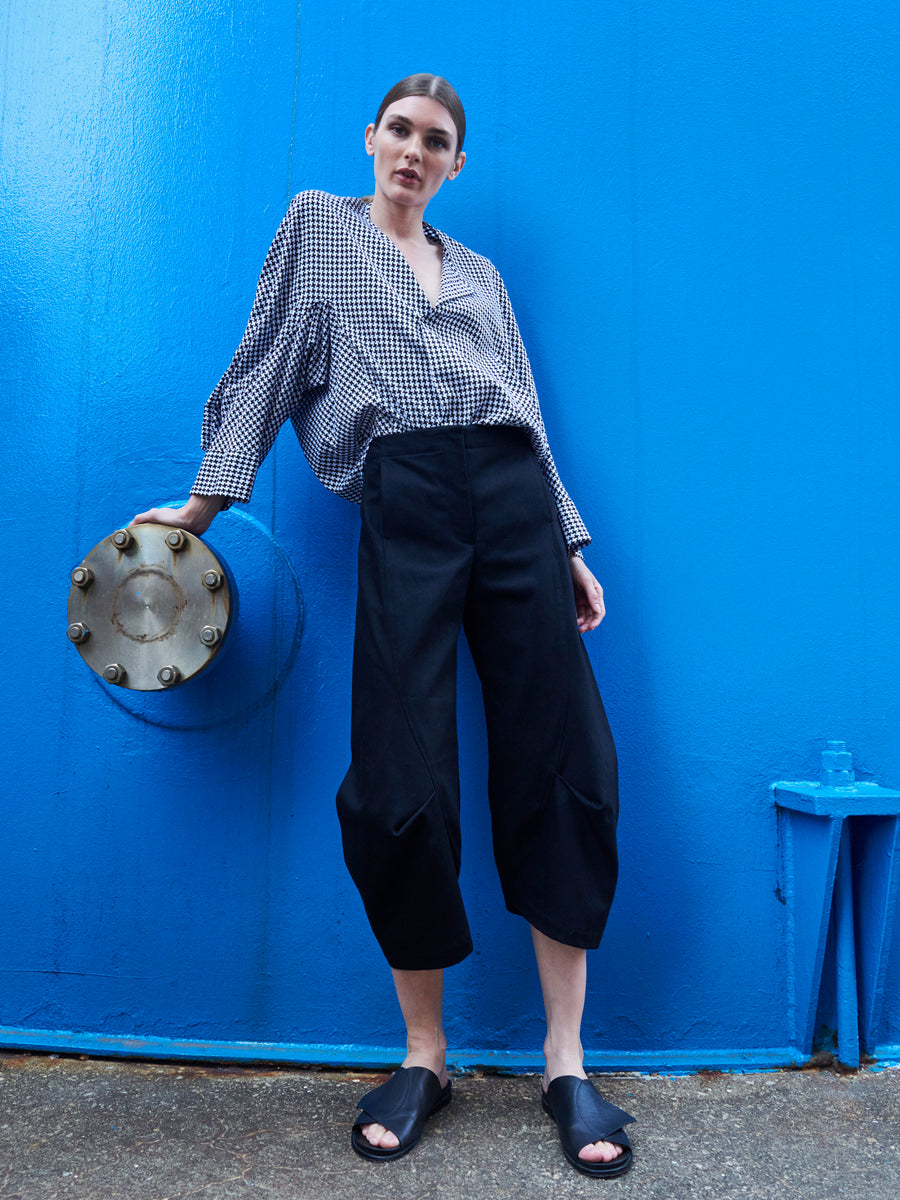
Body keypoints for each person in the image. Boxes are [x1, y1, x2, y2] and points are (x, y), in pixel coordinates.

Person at [134, 73, 634, 1179]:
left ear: (458, 164)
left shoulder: (484, 277)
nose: (415, 151)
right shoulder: (320, 226)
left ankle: (566, 1061)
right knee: (399, 777)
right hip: (404, 500)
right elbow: (265, 362)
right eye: (400, 131)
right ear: (372, 140)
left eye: (437, 141)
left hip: (511, 502)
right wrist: (204, 504)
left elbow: (527, 412)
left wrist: (569, 543)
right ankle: (425, 1054)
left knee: (564, 761)